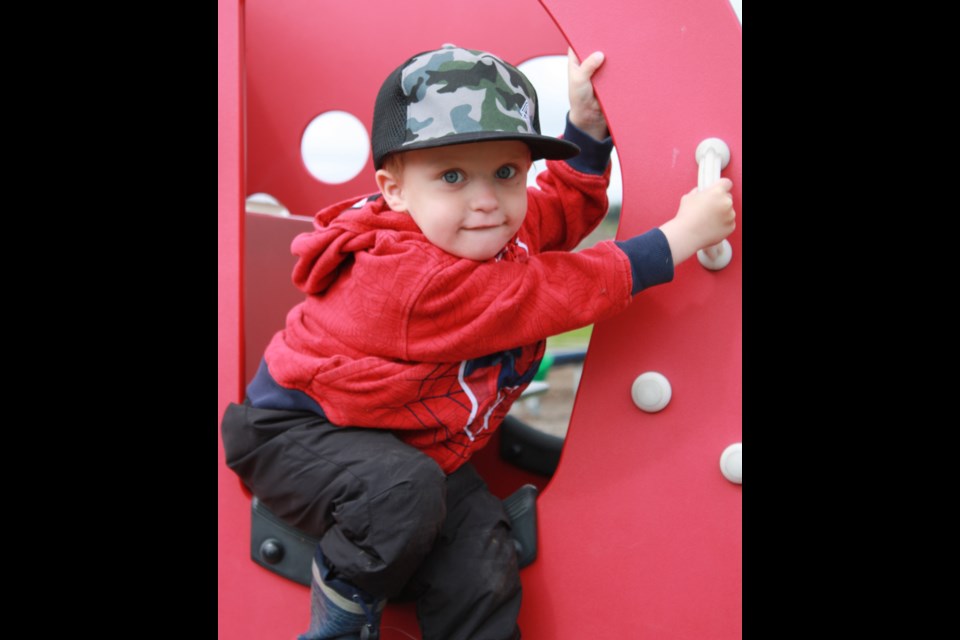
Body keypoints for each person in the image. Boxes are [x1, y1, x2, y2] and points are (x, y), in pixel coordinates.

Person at [221, 44, 735, 640]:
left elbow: (565, 208)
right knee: (402, 492)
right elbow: (560, 290)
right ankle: (341, 616)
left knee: (481, 555)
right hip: (296, 435)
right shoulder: (408, 279)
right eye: (452, 176)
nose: (487, 200)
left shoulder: (486, 231)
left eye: (507, 172)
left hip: (406, 439)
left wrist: (587, 127)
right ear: (394, 191)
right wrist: (680, 237)